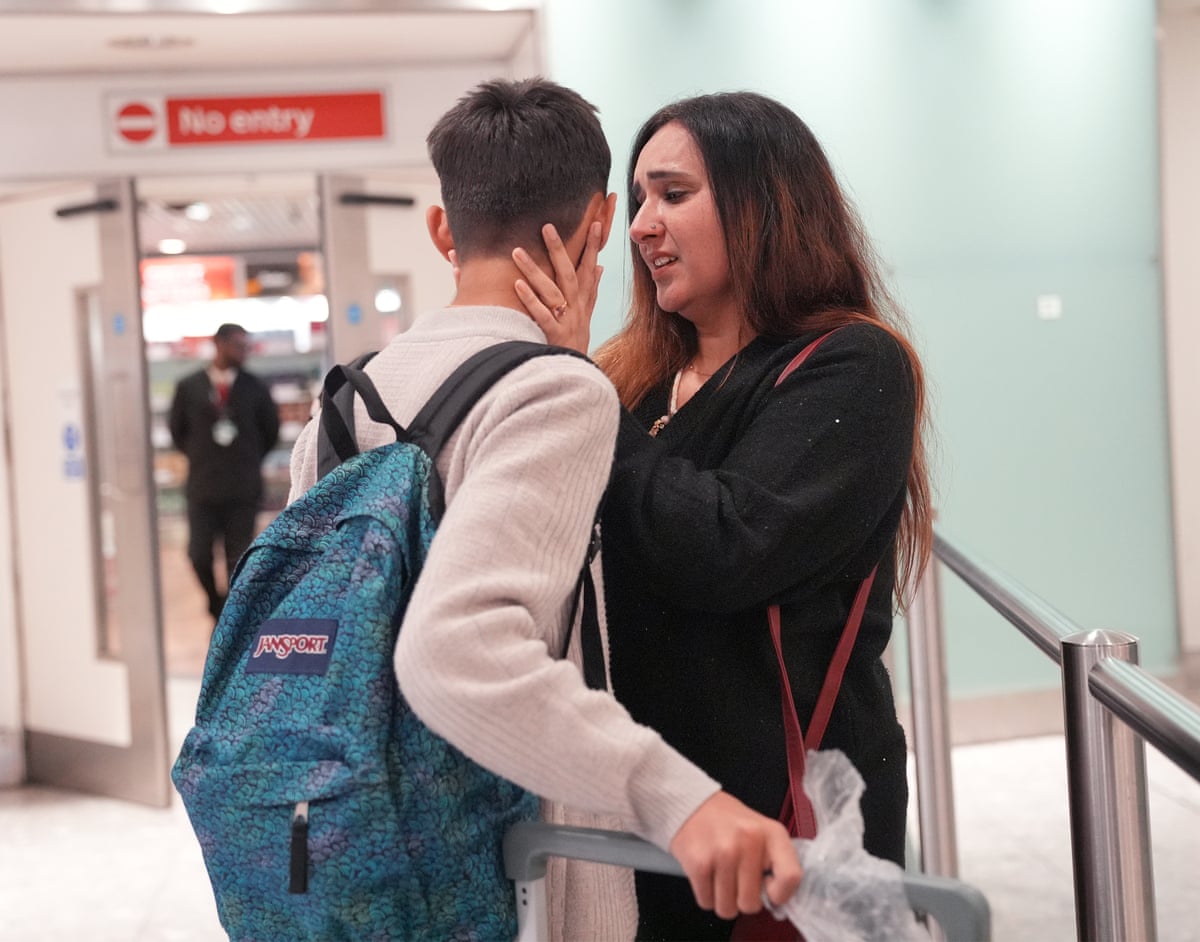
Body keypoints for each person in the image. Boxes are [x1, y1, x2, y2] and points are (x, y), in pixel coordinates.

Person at [285, 78, 802, 940]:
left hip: (351, 841)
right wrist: (681, 801)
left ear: (442, 229)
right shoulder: (553, 391)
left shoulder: (344, 401)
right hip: (513, 862)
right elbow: (457, 647)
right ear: (601, 222)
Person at [513, 90, 933, 940]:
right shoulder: (632, 376)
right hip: (644, 799)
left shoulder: (850, 362)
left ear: (764, 204)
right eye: (637, 199)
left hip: (778, 819)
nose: (640, 225)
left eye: (673, 194)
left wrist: (575, 384)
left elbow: (723, 546)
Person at [168, 322, 279, 620]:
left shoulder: (255, 387)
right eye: (238, 346)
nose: (244, 352)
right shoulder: (188, 386)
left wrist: (247, 460)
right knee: (198, 555)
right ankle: (216, 606)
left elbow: (271, 431)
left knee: (239, 560)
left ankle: (231, 619)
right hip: (203, 489)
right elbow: (177, 432)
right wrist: (203, 456)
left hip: (243, 490)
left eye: (246, 346)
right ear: (218, 344)